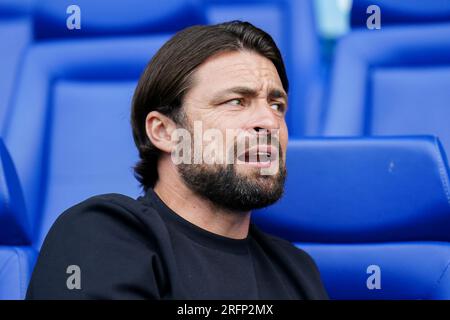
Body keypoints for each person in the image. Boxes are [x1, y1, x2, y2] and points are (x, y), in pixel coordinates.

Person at [26, 21, 328, 300]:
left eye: (277, 106)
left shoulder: (297, 270)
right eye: (236, 101)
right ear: (164, 131)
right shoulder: (99, 234)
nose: (269, 122)